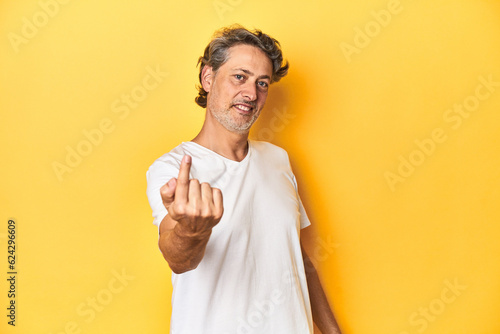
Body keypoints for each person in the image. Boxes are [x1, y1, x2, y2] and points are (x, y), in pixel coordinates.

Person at [146, 25, 341, 334]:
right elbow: (177, 258)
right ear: (208, 78)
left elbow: (296, 258)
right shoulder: (173, 168)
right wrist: (192, 232)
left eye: (262, 83)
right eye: (240, 77)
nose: (251, 94)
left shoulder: (278, 160)